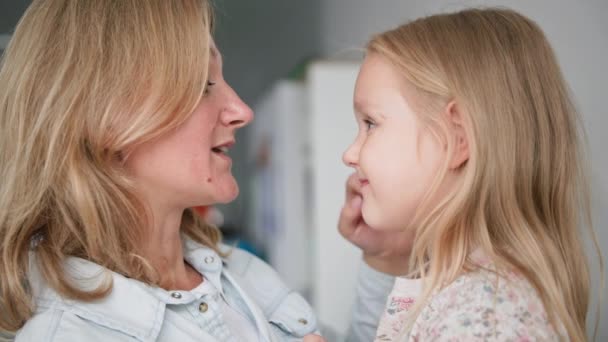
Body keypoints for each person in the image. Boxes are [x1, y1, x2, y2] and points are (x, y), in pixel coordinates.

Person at [0, 1, 410, 341]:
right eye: (202, 83)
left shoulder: (242, 273)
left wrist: (383, 259)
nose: (241, 111)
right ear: (107, 118)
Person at [337, 7, 601, 342]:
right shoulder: (468, 298)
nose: (350, 154)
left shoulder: (484, 320)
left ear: (457, 137)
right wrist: (385, 256)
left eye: (370, 124)